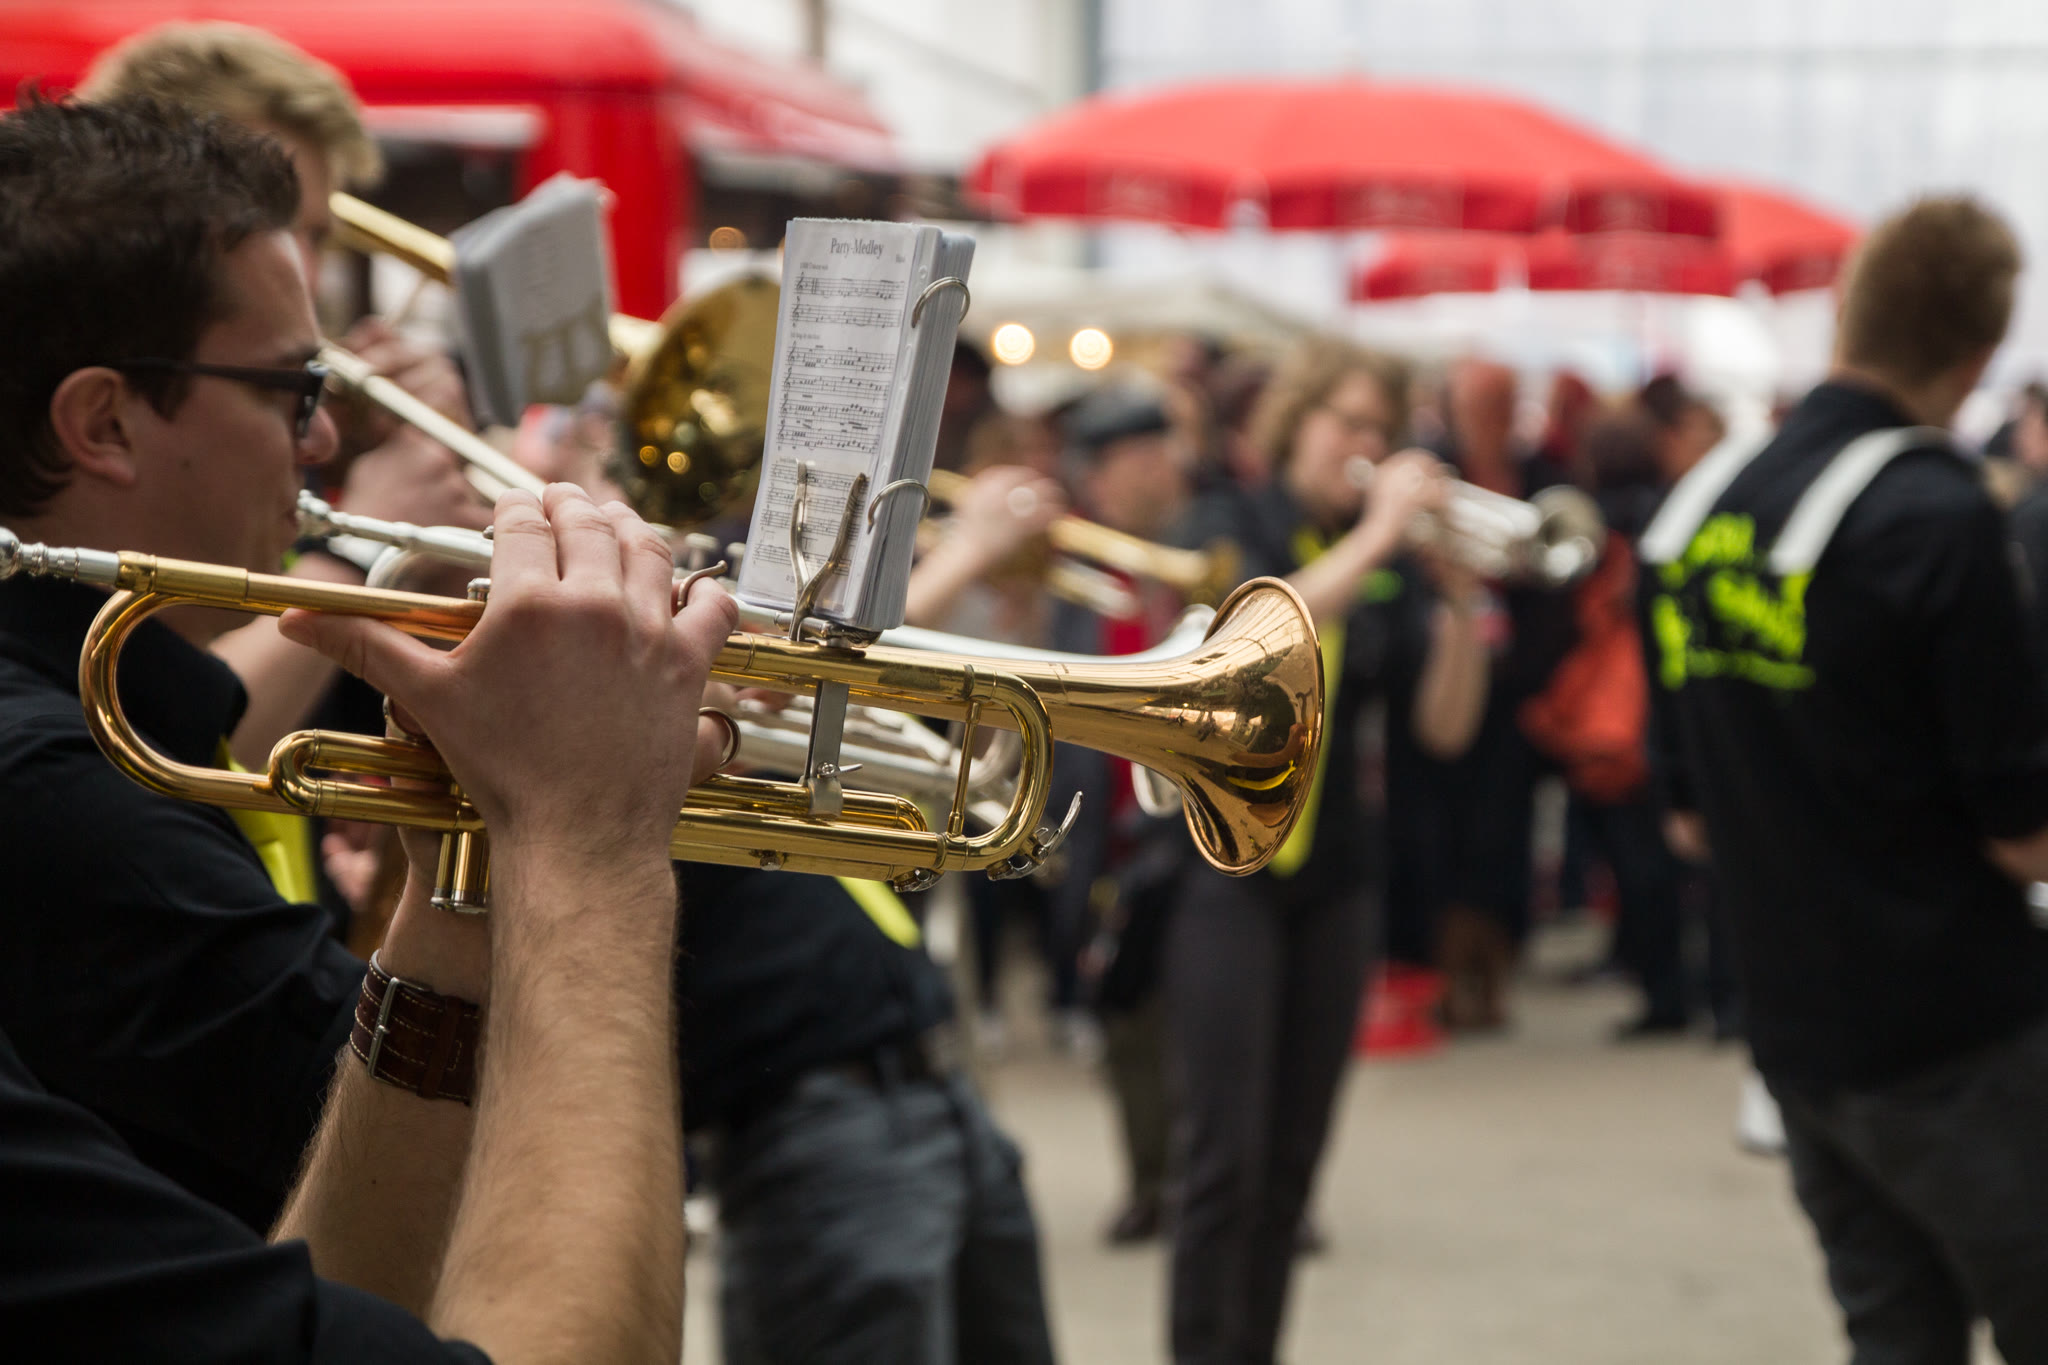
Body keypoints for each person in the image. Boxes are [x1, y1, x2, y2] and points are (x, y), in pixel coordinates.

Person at [0, 93, 737, 1361]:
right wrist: (588, 843)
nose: (328, 435)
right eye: (295, 390)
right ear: (104, 423)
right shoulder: (48, 775)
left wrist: (467, 878)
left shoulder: (112, 715)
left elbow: (338, 1297)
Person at [1641, 195, 2048, 1361]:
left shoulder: (1694, 515)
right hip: (1954, 1035)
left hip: (1794, 1031)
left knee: (1893, 1334)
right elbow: (2019, 834)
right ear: (1974, 358)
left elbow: (1686, 822)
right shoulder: (1934, 515)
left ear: (1846, 317)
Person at [1163, 339, 1489, 1365]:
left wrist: (1463, 604)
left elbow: (1444, 730)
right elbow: (1255, 642)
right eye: (1346, 422)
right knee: (1222, 1156)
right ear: (1293, 421)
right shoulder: (1229, 522)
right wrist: (1384, 533)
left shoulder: (1377, 559)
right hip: (1222, 869)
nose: (1364, 446)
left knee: (1291, 1170)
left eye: (1380, 431)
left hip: (1337, 874)